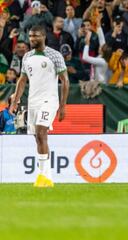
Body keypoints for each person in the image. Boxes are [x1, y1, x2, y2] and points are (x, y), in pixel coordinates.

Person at [9, 25, 69, 188]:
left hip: (49, 100)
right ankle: (44, 175)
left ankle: (46, 177)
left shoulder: (54, 55)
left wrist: (63, 106)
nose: (32, 39)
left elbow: (65, 80)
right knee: (38, 137)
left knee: (41, 131)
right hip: (33, 101)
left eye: (35, 36)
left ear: (43, 36)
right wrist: (15, 101)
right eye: (30, 36)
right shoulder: (27, 56)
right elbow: (22, 80)